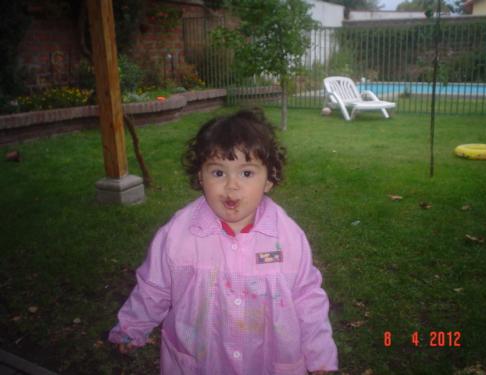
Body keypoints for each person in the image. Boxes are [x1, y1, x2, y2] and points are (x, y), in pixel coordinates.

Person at [109, 109, 338, 374]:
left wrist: (319, 353)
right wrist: (132, 327)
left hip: (266, 361)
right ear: (200, 177)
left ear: (269, 179)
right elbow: (153, 287)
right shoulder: (177, 235)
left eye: (247, 173)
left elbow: (307, 296)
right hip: (200, 362)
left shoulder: (287, 238)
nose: (231, 186)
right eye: (218, 173)